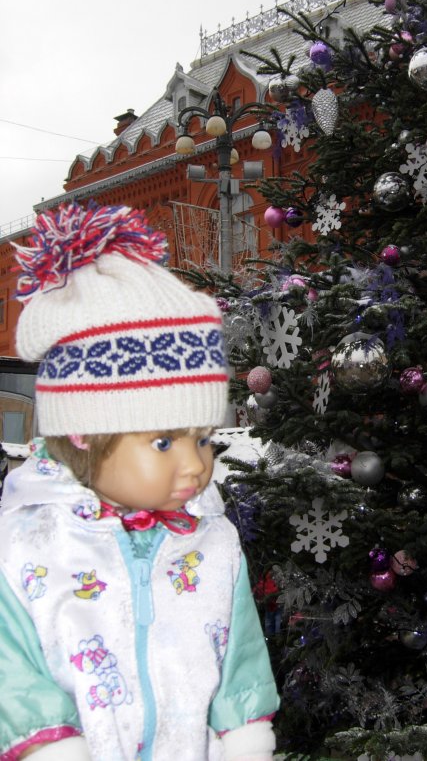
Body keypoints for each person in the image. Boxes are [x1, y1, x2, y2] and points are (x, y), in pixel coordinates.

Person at [0, 203, 279, 761]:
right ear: (84, 432)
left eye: (202, 438)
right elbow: (14, 667)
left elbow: (238, 653)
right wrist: (50, 747)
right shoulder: (27, 548)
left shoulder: (213, 540)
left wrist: (245, 735)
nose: (196, 465)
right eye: (163, 442)